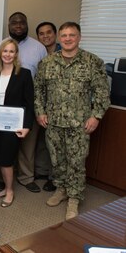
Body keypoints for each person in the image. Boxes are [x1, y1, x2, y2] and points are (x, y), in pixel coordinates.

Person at [34, 22, 110, 220]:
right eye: (64, 35)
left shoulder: (92, 62)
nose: (67, 39)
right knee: (57, 159)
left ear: (79, 37)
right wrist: (40, 112)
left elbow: (102, 93)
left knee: (76, 161)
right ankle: (61, 189)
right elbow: (39, 91)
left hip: (79, 123)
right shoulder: (47, 62)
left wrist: (96, 116)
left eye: (72, 35)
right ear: (59, 38)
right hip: (53, 122)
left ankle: (74, 198)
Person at [0, 12, 47, 193]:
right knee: (1, 148)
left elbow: (43, 74)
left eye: (21, 22)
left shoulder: (38, 48)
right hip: (0, 115)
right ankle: (0, 178)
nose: (18, 25)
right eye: (14, 22)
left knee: (26, 147)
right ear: (9, 25)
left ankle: (26, 178)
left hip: (23, 107)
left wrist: (28, 122)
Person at [0, 39, 34, 208]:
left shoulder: (24, 74)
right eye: (5, 51)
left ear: (16, 54)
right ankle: (5, 188)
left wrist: (27, 126)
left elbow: (29, 103)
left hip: (13, 125)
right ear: (0, 53)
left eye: (11, 51)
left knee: (6, 159)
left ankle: (9, 190)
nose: (8, 54)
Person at [34, 21, 62, 192]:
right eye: (41, 34)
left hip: (61, 107)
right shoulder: (38, 53)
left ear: (55, 34)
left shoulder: (64, 52)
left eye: (49, 32)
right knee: (43, 140)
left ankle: (54, 177)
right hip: (42, 104)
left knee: (57, 144)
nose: (46, 36)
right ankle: (42, 171)